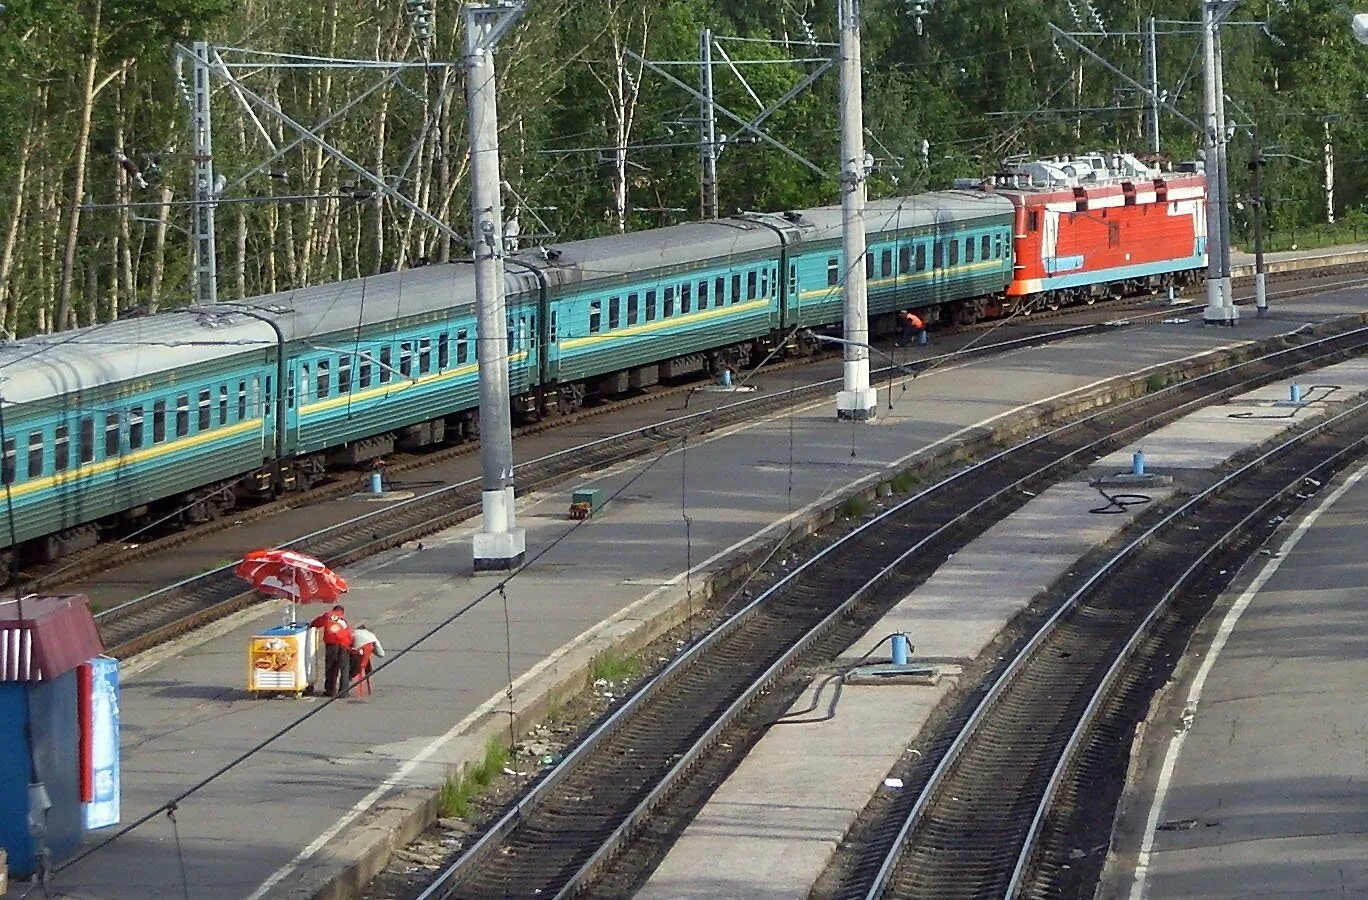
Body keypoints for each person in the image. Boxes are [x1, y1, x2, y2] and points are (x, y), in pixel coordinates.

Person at [310, 604, 353, 697]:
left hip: (331, 645)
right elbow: (349, 634)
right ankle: (344, 692)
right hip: (344, 645)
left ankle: (330, 690)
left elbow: (317, 622)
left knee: (331, 668)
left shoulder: (328, 615)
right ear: (342, 612)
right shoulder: (343, 620)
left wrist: (311, 625)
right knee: (344, 669)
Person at [350, 623, 385, 694]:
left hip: (353, 659)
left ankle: (345, 683)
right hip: (365, 660)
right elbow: (381, 654)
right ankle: (368, 680)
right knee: (367, 657)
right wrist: (372, 650)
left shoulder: (352, 633)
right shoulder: (372, 636)